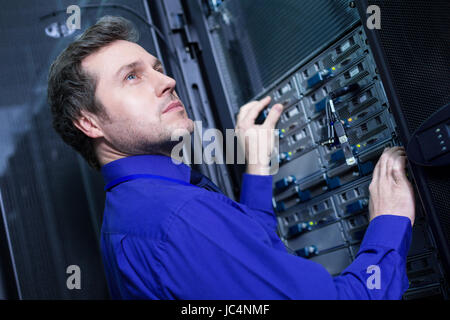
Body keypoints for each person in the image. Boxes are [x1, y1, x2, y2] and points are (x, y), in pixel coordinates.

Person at [47, 16, 415, 299]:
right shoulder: (177, 220)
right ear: (88, 122)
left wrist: (256, 167)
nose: (167, 81)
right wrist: (390, 222)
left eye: (157, 68)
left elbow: (243, 268)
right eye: (131, 77)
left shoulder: (134, 209)